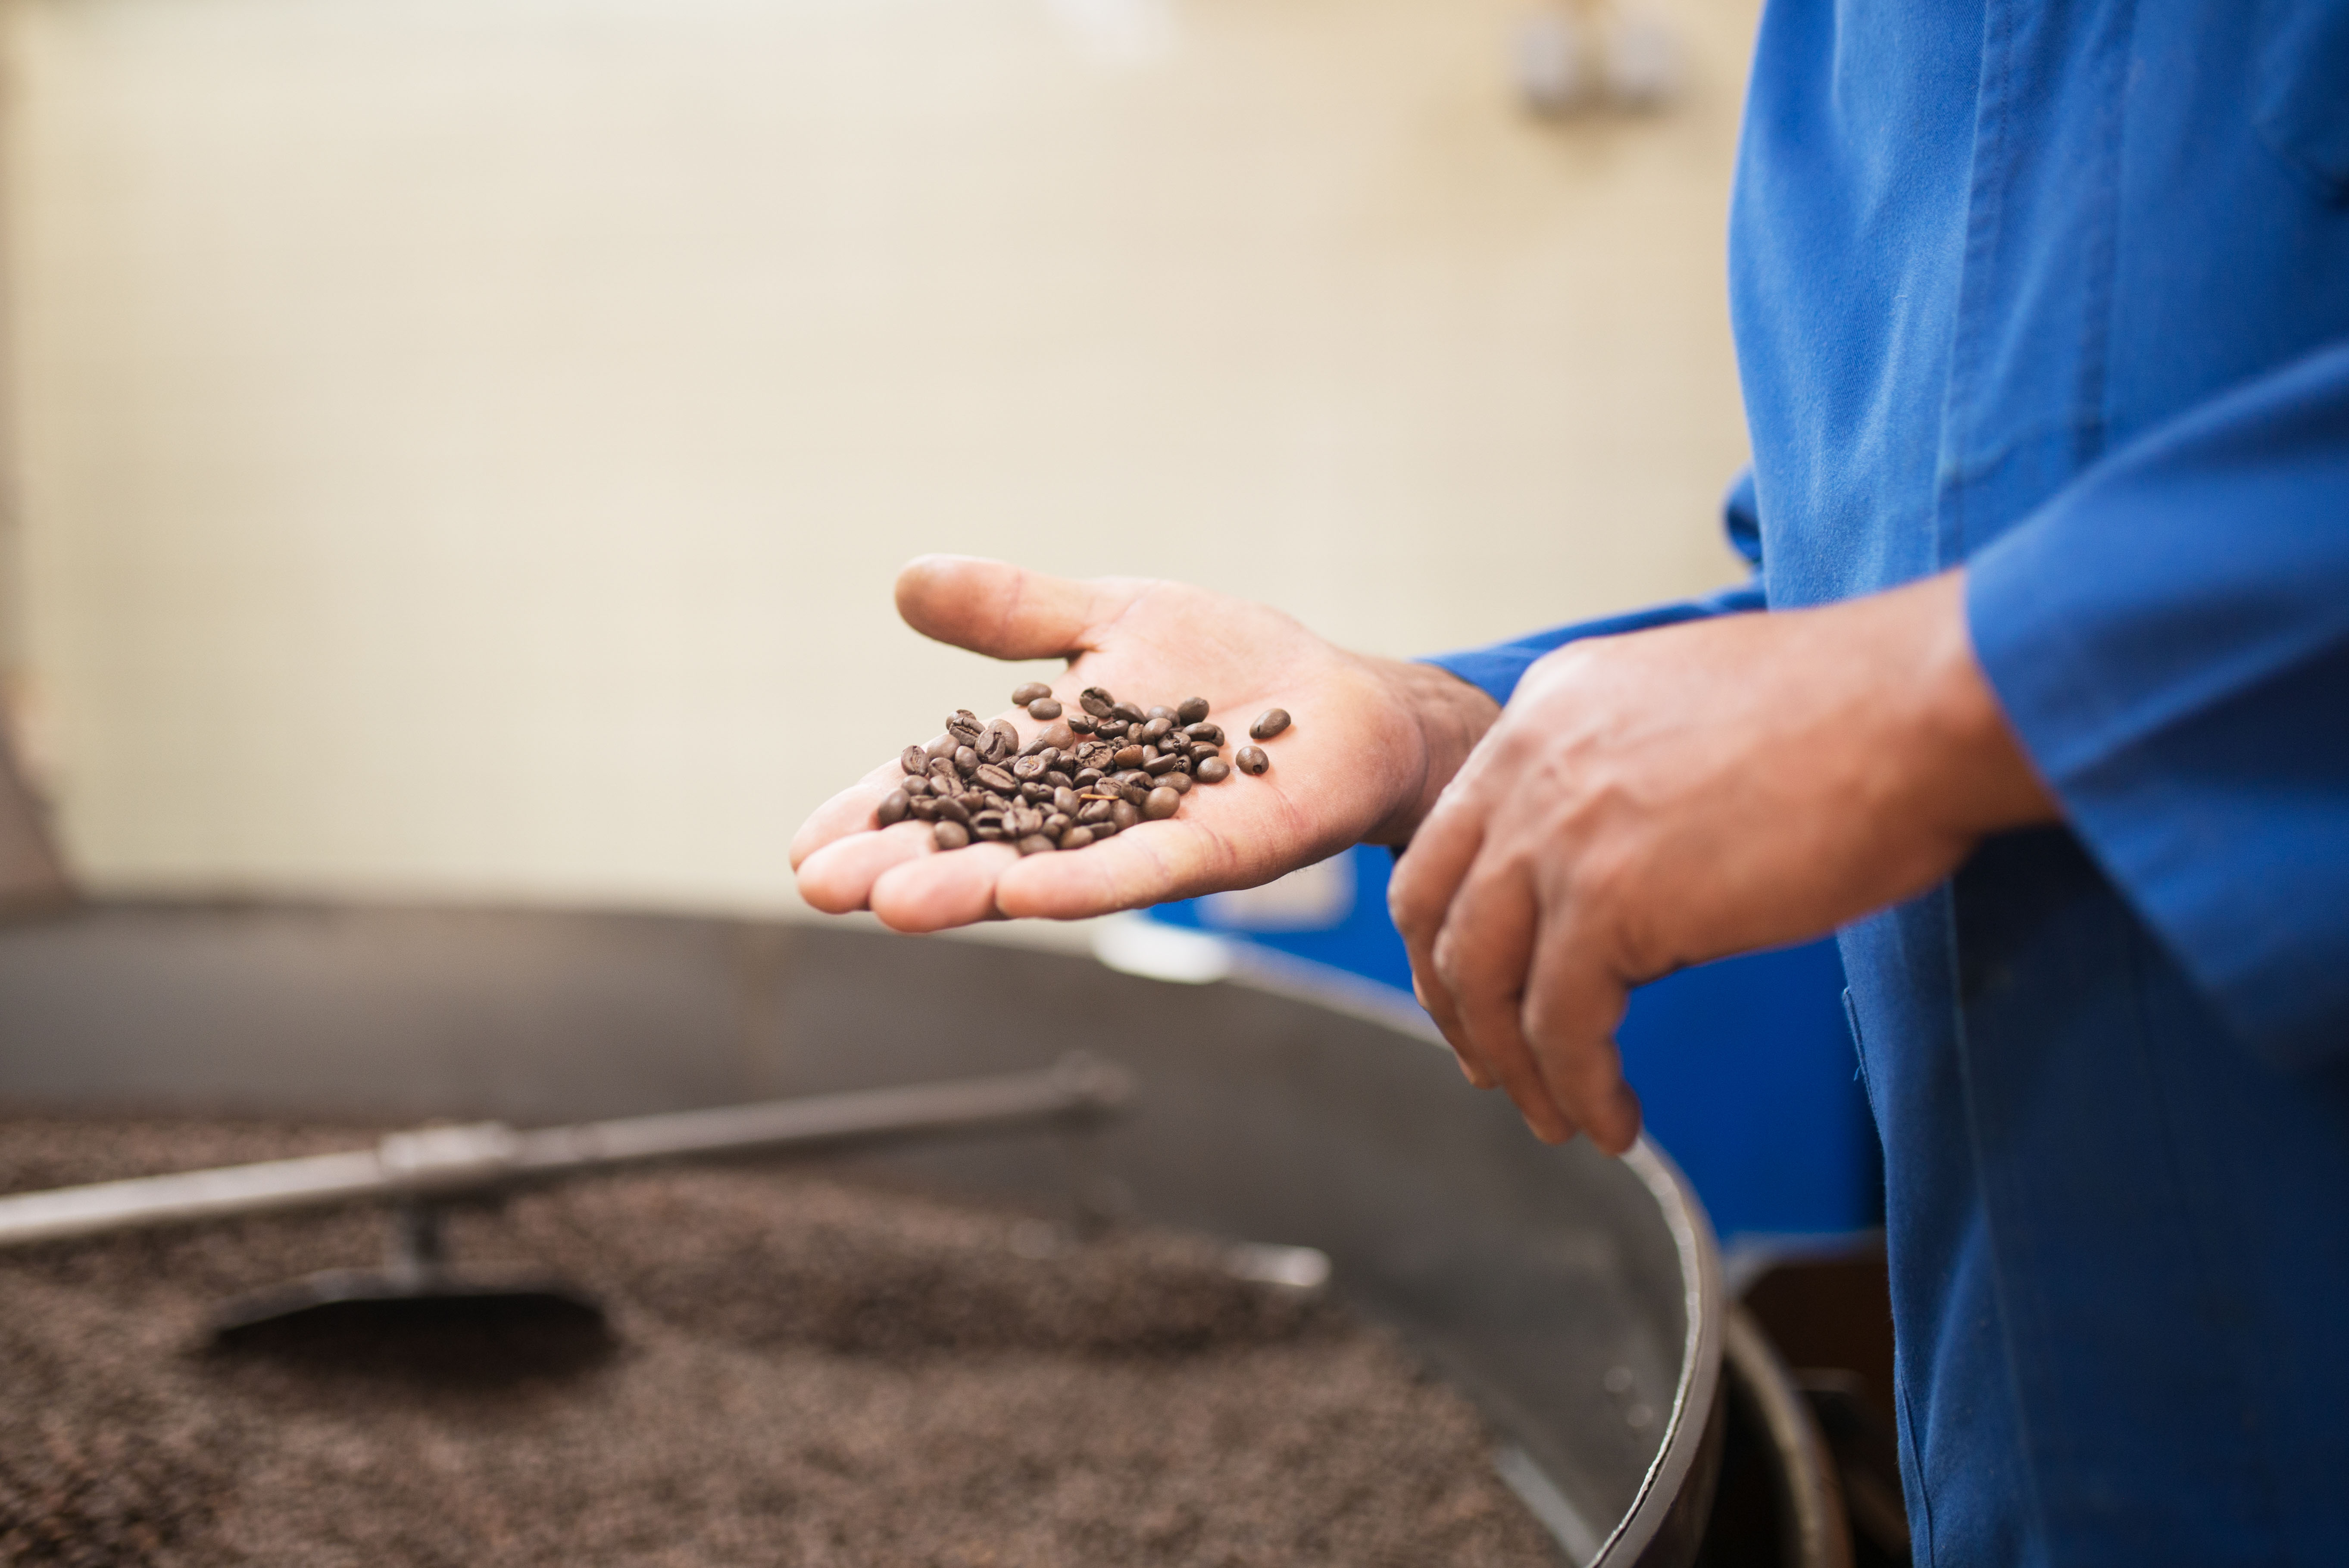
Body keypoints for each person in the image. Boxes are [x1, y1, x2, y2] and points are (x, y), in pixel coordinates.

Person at [796, 3, 2349, 1559]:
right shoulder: (1847, 41)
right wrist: (1438, 723)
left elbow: (1929, 660)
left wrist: (1944, 695)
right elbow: (1860, 604)